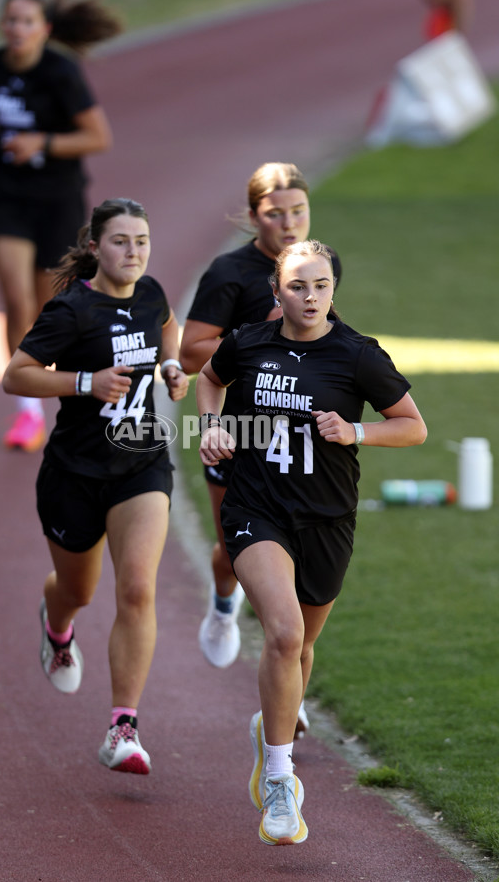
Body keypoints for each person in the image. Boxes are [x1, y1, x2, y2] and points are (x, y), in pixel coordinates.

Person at [196, 240, 426, 844]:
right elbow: (209, 379)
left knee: (299, 651)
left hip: (327, 520)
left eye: (320, 285)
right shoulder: (249, 343)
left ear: (333, 290)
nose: (310, 296)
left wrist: (355, 430)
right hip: (256, 511)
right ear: (277, 291)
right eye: (297, 285)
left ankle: (268, 727)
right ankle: (280, 780)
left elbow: (413, 427)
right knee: (284, 631)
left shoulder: (357, 355)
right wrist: (214, 425)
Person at [2, 198, 188, 774]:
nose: (132, 252)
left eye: (141, 241)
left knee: (136, 589)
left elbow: (168, 330)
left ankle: (122, 727)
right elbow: (16, 375)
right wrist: (86, 381)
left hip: (140, 466)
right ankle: (56, 626)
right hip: (75, 476)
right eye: (120, 242)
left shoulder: (152, 293)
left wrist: (172, 367)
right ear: (95, 248)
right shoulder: (72, 310)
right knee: (77, 592)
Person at [180, 161, 340, 739]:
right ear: (254, 217)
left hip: (295, 440)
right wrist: (259, 334)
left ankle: (286, 693)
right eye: (277, 213)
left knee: (296, 578)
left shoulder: (311, 268)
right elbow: (192, 348)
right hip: (238, 433)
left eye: (299, 210)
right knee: (232, 551)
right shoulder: (230, 272)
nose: (290, 222)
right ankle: (224, 604)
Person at [0, 0, 121, 451]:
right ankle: (27, 412)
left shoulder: (61, 73)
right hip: (9, 200)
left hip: (58, 202)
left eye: (27, 22)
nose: (17, 29)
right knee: (14, 300)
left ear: (45, 29)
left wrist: (41, 144)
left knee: (49, 313)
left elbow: (98, 137)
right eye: (11, 20)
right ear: (2, 26)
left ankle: (74, 393)